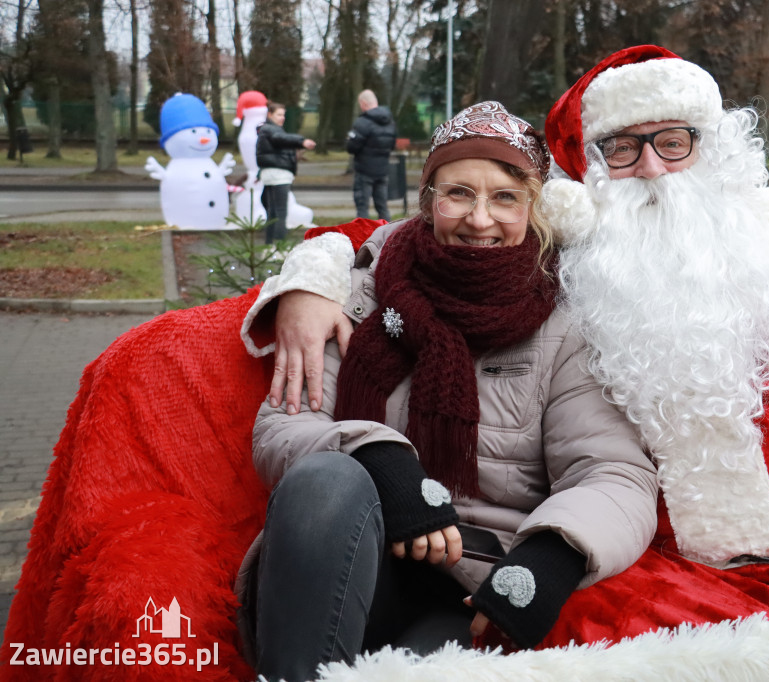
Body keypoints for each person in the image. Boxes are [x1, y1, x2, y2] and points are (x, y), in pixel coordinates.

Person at [244, 46, 769, 647]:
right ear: (585, 176)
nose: (651, 168)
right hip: (663, 574)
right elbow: (372, 248)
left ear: (713, 151)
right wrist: (309, 281)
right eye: (622, 148)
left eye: (673, 142)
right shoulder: (582, 270)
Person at [237, 100, 658, 681]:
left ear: (535, 208)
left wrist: (552, 557)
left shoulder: (566, 321)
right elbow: (283, 427)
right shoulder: (357, 295)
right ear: (429, 200)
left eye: (505, 197)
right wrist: (383, 462)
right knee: (325, 477)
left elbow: (612, 472)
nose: (480, 219)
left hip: (471, 582)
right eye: (459, 192)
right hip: (346, 553)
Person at [256, 101, 316, 243]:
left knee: (272, 212)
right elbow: (281, 139)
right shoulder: (271, 130)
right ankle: (279, 247)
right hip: (279, 175)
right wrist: (301, 142)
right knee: (281, 212)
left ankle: (269, 246)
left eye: (284, 115)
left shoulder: (267, 130)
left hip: (270, 174)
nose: (282, 117)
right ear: (270, 115)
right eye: (279, 114)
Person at [347, 89, 397, 221]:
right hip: (382, 170)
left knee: (362, 207)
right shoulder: (390, 122)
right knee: (382, 207)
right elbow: (392, 145)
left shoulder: (362, 122)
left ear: (363, 103)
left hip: (364, 171)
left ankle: (363, 238)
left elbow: (352, 147)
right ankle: (388, 235)